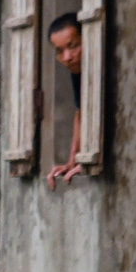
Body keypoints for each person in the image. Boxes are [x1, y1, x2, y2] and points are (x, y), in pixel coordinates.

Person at [46, 11, 83, 189]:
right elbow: (81, 112)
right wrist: (73, 161)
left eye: (73, 46)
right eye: (60, 51)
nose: (67, 57)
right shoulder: (77, 71)